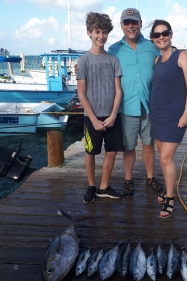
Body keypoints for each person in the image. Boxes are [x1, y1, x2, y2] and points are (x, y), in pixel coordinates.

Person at [108, 8, 163, 197]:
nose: (130, 26)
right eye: (126, 22)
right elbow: (102, 70)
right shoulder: (113, 50)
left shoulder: (152, 46)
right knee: (129, 147)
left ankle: (150, 177)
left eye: (134, 22)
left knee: (149, 144)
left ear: (140, 23)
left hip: (149, 105)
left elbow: (167, 64)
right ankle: (128, 179)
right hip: (126, 107)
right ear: (122, 25)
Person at [76, 12, 124, 203]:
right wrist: (94, 119)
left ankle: (104, 186)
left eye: (104, 32)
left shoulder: (113, 60)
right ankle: (91, 185)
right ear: (89, 32)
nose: (101, 36)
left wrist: (113, 115)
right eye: (97, 31)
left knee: (111, 151)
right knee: (91, 152)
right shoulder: (83, 61)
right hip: (91, 117)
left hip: (112, 115)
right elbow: (81, 93)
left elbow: (118, 91)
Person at [149, 20, 187, 218]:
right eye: (157, 35)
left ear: (171, 34)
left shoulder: (182, 55)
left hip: (174, 116)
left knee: (167, 158)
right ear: (153, 39)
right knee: (163, 158)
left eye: (164, 33)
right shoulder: (157, 61)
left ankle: (170, 198)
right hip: (157, 114)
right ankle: (167, 190)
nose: (161, 37)